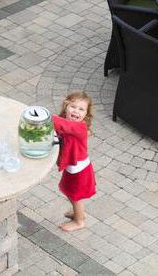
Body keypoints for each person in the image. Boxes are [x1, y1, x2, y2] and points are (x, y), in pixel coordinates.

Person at [52, 91, 96, 232]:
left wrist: (45, 117)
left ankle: (79, 221)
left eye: (81, 109)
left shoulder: (80, 127)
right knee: (67, 190)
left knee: (74, 195)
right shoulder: (66, 122)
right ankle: (79, 213)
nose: (76, 111)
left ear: (86, 115)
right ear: (66, 107)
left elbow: (64, 126)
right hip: (72, 168)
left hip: (79, 170)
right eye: (73, 106)